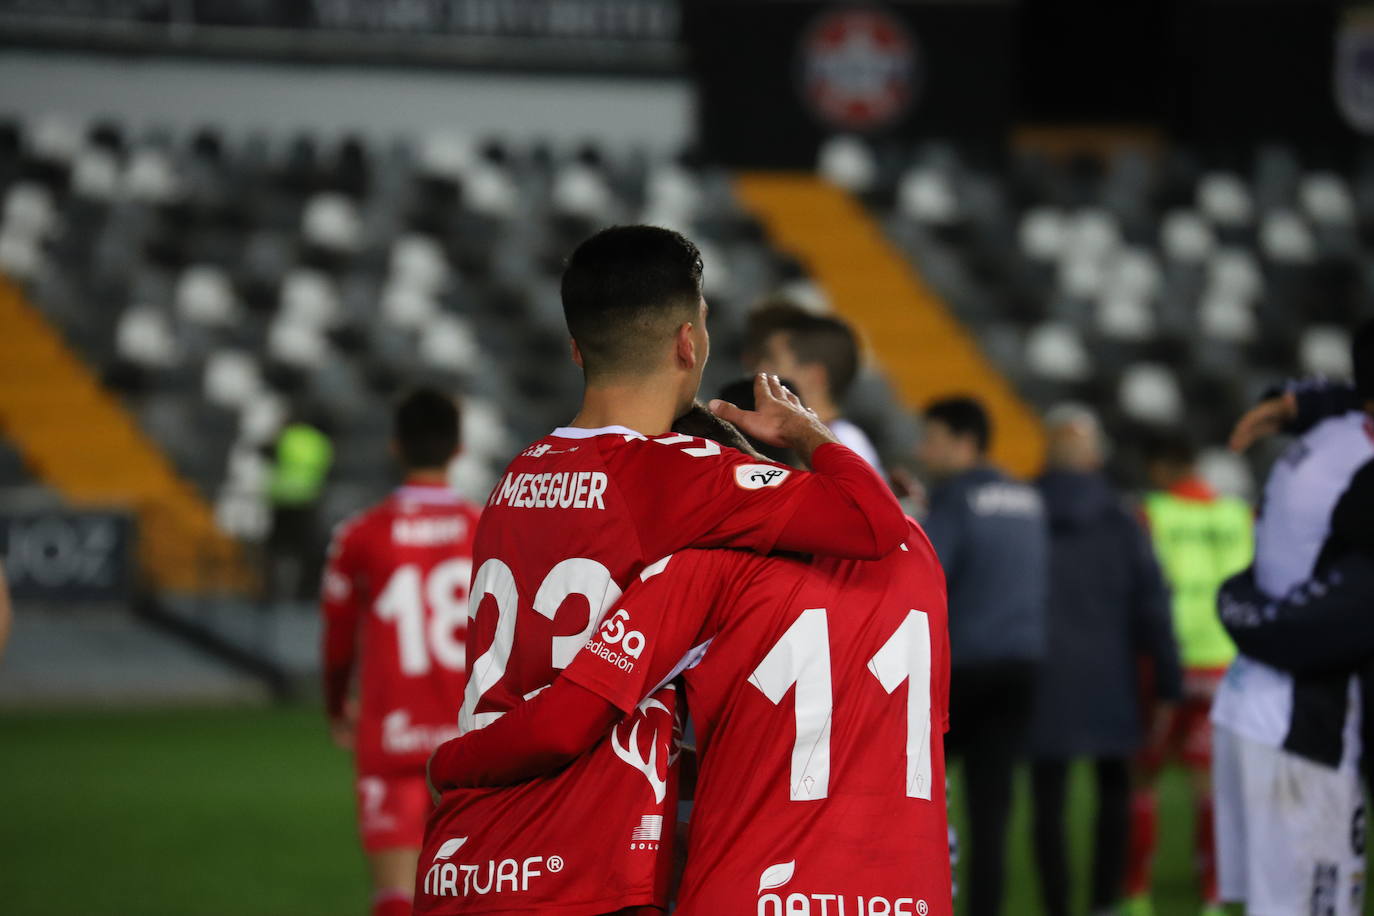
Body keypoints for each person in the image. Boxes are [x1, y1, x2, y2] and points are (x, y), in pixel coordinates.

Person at [417, 226, 907, 916]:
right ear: (688, 342)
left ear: (576, 348)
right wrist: (805, 431)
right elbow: (873, 522)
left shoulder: (518, 472)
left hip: (465, 855)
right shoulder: (678, 477)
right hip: (576, 862)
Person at [429, 517, 952, 915]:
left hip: (761, 891)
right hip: (912, 895)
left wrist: (449, 763)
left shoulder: (712, 563)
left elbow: (563, 723)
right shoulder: (916, 549)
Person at [1209, 319, 1374, 916]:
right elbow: (1344, 618)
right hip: (1307, 721)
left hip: (1256, 700)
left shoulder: (1335, 429)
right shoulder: (1359, 468)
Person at [320, 388, 480, 916]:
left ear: (395, 446)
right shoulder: (487, 527)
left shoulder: (360, 535)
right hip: (472, 742)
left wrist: (336, 705)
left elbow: (338, 640)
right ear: (458, 449)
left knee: (397, 900)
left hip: (392, 735)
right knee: (472, 896)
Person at [1028, 405, 1182, 916]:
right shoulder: (1123, 517)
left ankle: (1056, 904)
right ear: (1094, 454)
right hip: (1109, 676)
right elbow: (1152, 605)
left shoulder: (1025, 509)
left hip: (1041, 674)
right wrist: (1167, 681)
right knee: (1114, 791)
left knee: (1046, 797)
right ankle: (1104, 902)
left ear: (1048, 448)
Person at [917, 395, 1048, 916]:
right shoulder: (1027, 498)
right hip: (1022, 667)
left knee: (924, 805)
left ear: (963, 442)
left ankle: (926, 900)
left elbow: (927, 572)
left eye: (932, 439)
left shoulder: (955, 500)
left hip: (963, 671)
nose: (923, 450)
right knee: (992, 812)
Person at [1124, 431, 1253, 916]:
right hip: (1224, 664)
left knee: (1144, 780)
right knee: (1211, 786)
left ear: (1160, 468)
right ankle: (1214, 896)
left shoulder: (1151, 513)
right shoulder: (1237, 515)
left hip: (1166, 665)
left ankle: (1137, 894)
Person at [747, 300, 884, 469]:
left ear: (813, 376)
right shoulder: (807, 441)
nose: (760, 370)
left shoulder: (843, 443)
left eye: (773, 361)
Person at [266, 413, 333, 600]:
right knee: (306, 550)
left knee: (275, 548)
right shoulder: (320, 441)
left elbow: (268, 454)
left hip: (282, 500)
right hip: (308, 500)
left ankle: (270, 591)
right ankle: (305, 592)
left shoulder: (286, 437)